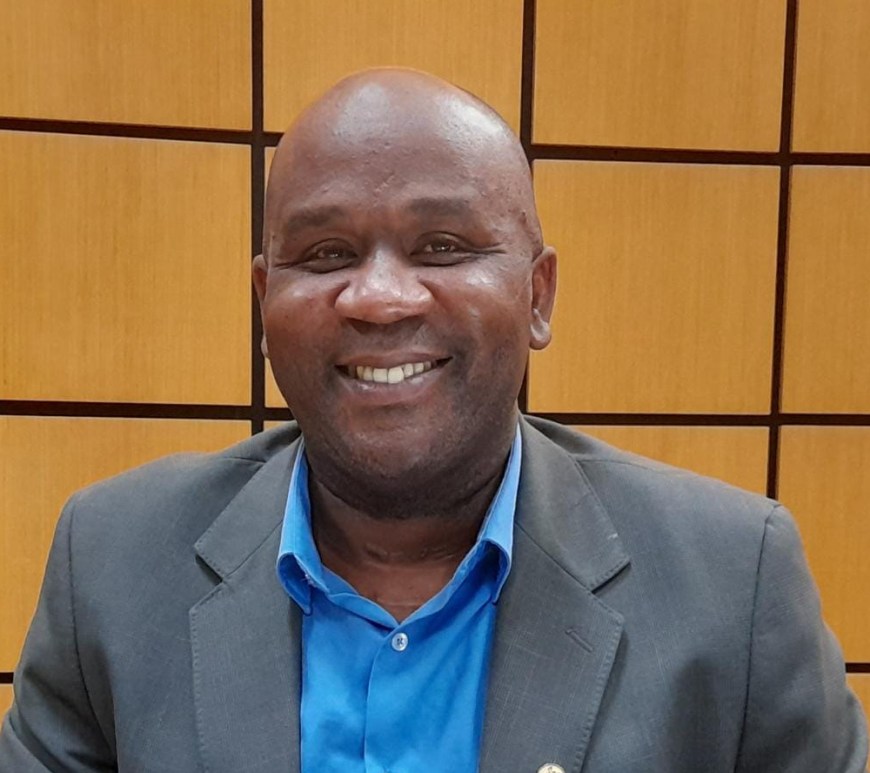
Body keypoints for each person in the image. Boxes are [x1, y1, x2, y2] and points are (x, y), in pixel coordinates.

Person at [0, 68, 866, 772]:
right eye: (326, 254)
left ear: (537, 295)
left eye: (443, 247)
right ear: (265, 304)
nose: (380, 297)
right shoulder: (112, 565)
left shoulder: (734, 583)